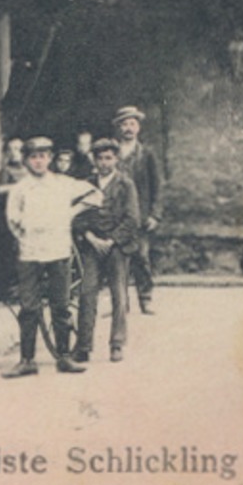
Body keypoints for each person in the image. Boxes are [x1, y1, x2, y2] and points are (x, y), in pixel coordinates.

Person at [1, 137, 98, 379]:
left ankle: (63, 357)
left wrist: (71, 212)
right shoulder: (21, 188)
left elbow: (96, 195)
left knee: (61, 306)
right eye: (33, 157)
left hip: (58, 251)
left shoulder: (63, 184)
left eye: (43, 156)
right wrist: (27, 236)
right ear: (26, 160)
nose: (38, 161)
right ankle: (27, 360)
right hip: (30, 253)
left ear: (50, 158)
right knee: (29, 307)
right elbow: (13, 220)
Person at [72, 136, 141, 363]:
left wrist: (111, 241)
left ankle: (117, 343)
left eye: (109, 158)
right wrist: (90, 238)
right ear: (94, 160)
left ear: (116, 159)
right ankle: (83, 345)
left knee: (119, 295)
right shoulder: (86, 184)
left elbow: (132, 219)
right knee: (86, 293)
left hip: (117, 247)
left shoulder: (125, 184)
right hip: (92, 246)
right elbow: (77, 217)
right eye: (100, 158)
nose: (104, 163)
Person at [113, 105, 161, 314]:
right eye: (124, 124)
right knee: (118, 260)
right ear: (119, 128)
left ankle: (145, 297)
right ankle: (121, 302)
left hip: (140, 216)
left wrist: (155, 214)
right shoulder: (112, 154)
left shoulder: (147, 154)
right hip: (116, 215)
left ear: (138, 128)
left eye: (132, 123)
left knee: (141, 257)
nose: (128, 128)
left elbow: (157, 186)